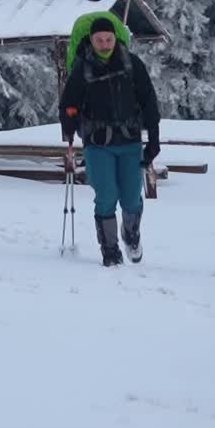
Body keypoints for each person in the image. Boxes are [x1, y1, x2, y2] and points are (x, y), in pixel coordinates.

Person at [59, 14, 161, 266]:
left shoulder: (132, 63)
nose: (104, 44)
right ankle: (110, 251)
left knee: (130, 198)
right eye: (99, 40)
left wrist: (154, 137)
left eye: (108, 39)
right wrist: (69, 129)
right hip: (98, 143)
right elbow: (69, 104)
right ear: (91, 41)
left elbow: (149, 100)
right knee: (106, 195)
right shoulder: (82, 68)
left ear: (116, 38)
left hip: (130, 141)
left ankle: (131, 234)